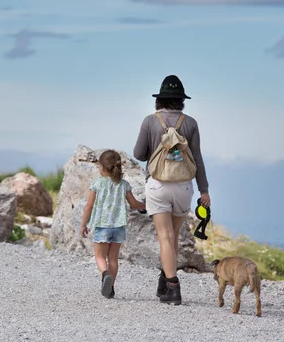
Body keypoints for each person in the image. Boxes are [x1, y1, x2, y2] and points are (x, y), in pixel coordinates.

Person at [133, 75, 211, 305]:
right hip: (184, 186)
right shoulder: (191, 123)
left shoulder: (150, 121)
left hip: (158, 185)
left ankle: (173, 287)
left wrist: (157, 151)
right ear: (181, 101)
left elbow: (138, 154)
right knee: (173, 236)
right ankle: (164, 278)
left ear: (160, 100)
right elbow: (197, 159)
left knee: (164, 237)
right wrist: (204, 191)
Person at [80, 149, 146, 299]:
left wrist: (83, 224)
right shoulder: (124, 185)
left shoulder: (97, 184)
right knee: (113, 259)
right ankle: (111, 288)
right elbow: (134, 204)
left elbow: (88, 206)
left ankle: (105, 274)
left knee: (100, 257)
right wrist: (146, 206)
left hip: (102, 226)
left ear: (102, 167)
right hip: (118, 227)